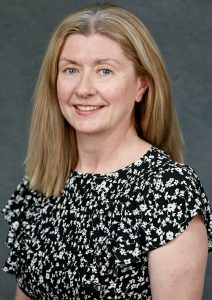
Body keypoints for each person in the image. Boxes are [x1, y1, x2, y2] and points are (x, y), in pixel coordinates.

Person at [2, 3, 212, 300]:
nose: (84, 88)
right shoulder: (40, 187)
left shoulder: (168, 191)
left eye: (104, 71)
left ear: (141, 85)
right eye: (71, 69)